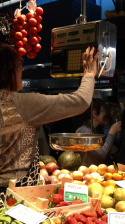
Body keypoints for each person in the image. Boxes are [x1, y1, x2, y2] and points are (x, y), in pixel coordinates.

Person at [0, 43, 99, 203]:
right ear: (7, 71)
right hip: (13, 198)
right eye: (19, 64)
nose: (22, 69)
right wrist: (89, 74)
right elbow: (80, 101)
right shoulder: (22, 104)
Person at [76, 100, 122, 166]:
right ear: (94, 113)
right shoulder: (84, 131)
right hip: (86, 170)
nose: (105, 113)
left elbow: (97, 152)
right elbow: (101, 154)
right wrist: (112, 132)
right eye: (103, 111)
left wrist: (108, 149)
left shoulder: (93, 130)